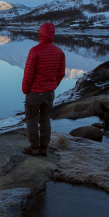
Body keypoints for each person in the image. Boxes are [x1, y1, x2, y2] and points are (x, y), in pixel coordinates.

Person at [20, 22, 66, 156]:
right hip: (49, 93)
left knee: (32, 119)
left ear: (40, 34)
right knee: (45, 119)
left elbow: (28, 74)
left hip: (34, 92)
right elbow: (61, 73)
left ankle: (34, 147)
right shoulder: (59, 52)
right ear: (52, 35)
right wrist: (52, 86)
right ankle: (44, 148)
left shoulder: (35, 51)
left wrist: (25, 90)